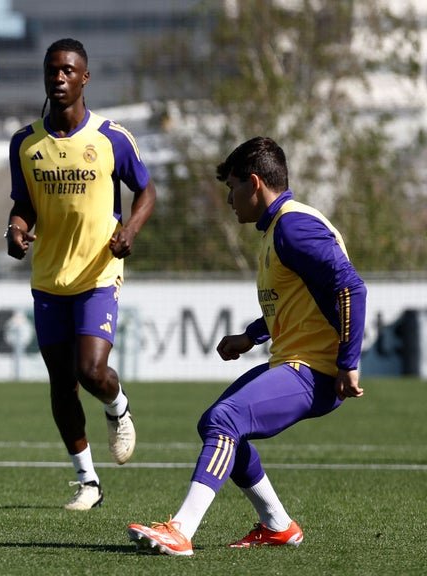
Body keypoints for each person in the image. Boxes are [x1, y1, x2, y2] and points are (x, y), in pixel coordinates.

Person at [127, 136, 367, 556]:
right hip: (297, 362)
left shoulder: (294, 226)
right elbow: (299, 303)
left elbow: (349, 287)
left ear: (254, 183)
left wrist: (348, 362)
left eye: (232, 188)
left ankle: (181, 529)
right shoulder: (279, 228)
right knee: (214, 424)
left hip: (318, 371)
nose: (229, 199)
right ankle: (278, 525)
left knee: (226, 418)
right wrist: (250, 336)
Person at [5, 38, 156, 510]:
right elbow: (24, 205)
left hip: (98, 271)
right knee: (60, 383)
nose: (59, 78)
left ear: (85, 77)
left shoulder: (111, 138)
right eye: (53, 70)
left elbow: (147, 191)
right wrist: (15, 228)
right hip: (49, 277)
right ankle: (88, 481)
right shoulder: (25, 143)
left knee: (91, 370)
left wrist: (130, 228)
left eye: (69, 70)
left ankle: (118, 406)